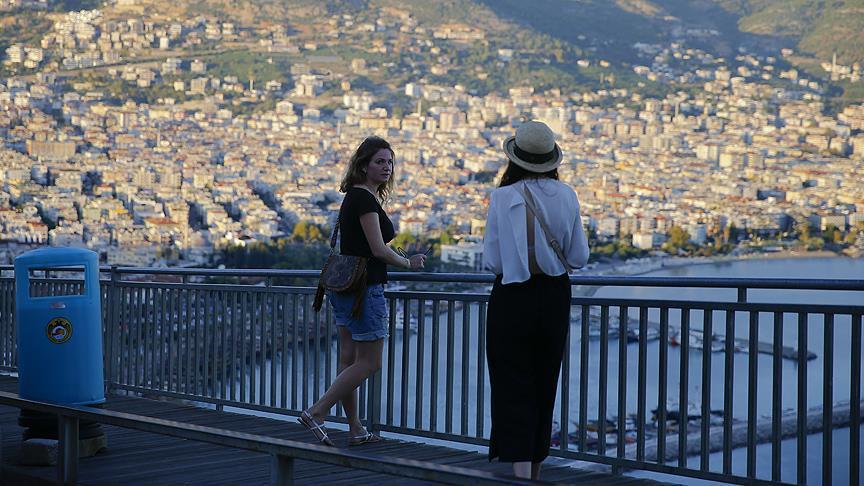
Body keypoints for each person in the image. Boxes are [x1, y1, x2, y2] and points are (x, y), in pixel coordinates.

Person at [299, 136, 427, 446]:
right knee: (370, 362)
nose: (387, 167)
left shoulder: (354, 196)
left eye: (390, 162)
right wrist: (408, 263)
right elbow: (378, 250)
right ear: (363, 165)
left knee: (348, 361)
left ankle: (355, 428)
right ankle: (317, 411)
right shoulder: (365, 200)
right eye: (379, 161)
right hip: (365, 290)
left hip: (345, 286)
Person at [482, 121, 590, 479]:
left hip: (512, 296)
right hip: (554, 296)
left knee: (512, 382)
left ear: (514, 159)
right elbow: (578, 257)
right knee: (546, 380)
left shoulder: (502, 197)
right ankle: (537, 469)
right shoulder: (567, 195)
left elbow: (493, 262)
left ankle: (520, 472)